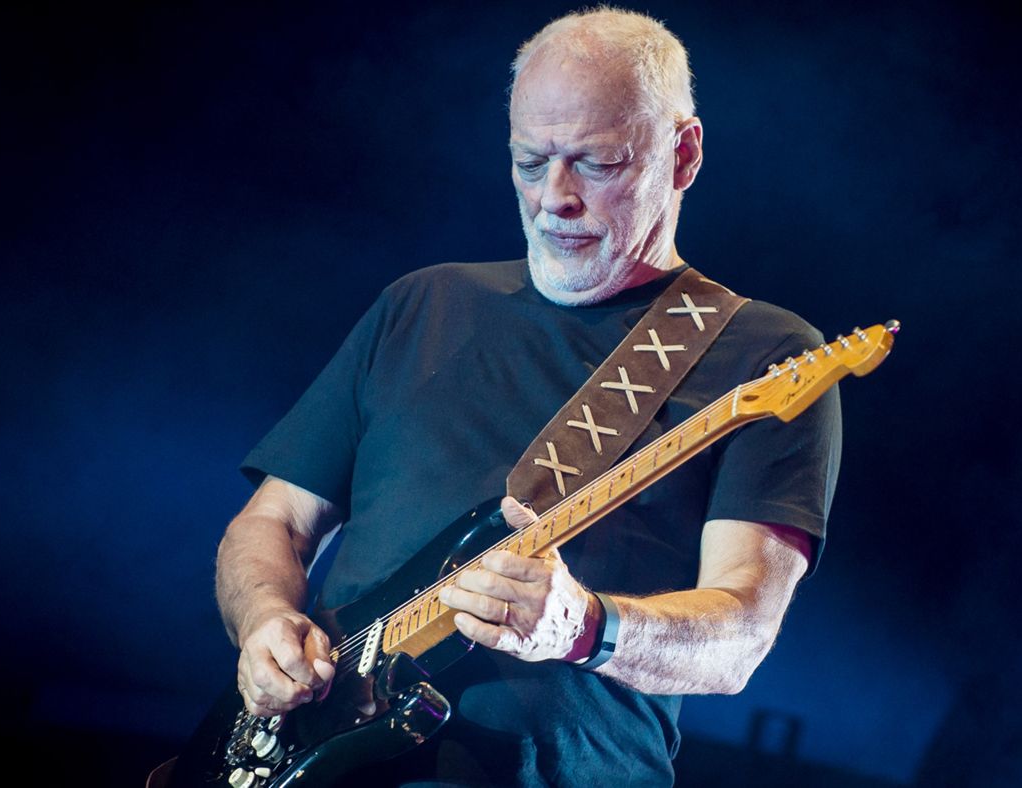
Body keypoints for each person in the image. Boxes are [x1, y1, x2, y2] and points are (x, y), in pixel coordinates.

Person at [214, 7, 841, 786]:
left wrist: (583, 627)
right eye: (529, 161)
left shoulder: (763, 355)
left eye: (597, 163)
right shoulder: (423, 303)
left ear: (682, 154)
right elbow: (272, 522)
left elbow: (740, 637)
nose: (554, 196)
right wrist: (265, 621)